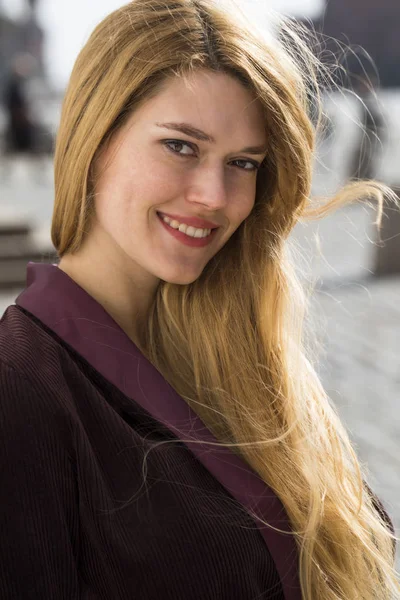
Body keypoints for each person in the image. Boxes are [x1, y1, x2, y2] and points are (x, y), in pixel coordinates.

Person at [0, 1, 398, 598]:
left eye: (243, 163)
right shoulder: (19, 390)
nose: (215, 196)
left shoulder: (245, 363)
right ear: (95, 137)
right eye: (181, 146)